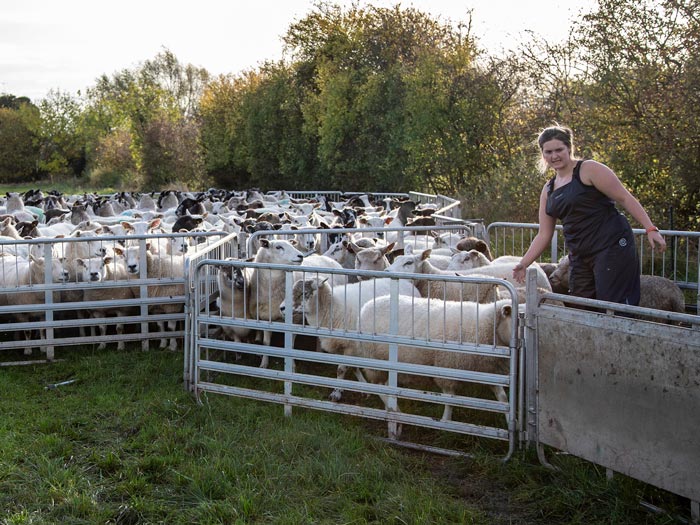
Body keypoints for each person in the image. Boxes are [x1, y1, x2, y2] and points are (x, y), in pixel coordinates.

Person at [512, 124, 666, 305]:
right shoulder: (549, 189)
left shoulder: (588, 170)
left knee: (612, 306)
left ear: (569, 148)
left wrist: (650, 228)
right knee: (581, 305)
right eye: (548, 152)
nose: (554, 156)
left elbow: (625, 198)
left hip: (611, 246)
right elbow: (544, 234)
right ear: (543, 155)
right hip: (579, 254)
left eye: (559, 149)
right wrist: (524, 263)